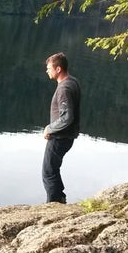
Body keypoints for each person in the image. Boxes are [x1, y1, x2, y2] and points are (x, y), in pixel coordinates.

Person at [42, 52, 81, 204]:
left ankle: (54, 204)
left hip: (60, 137)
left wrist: (49, 129)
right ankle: (60, 199)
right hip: (67, 136)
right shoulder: (73, 81)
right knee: (53, 169)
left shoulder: (64, 88)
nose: (47, 71)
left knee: (48, 172)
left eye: (49, 68)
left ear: (58, 69)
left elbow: (67, 117)